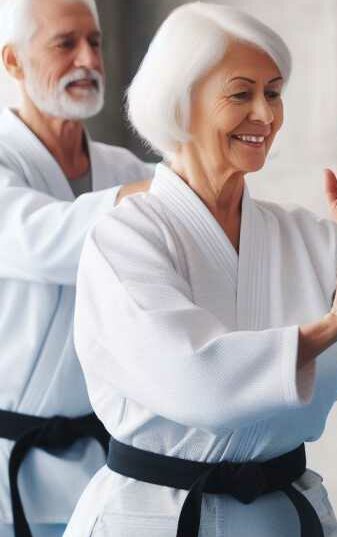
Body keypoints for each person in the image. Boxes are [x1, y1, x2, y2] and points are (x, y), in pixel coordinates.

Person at [65, 3, 337, 537]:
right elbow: (196, 378)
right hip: (157, 518)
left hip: (282, 516)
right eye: (241, 92)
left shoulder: (303, 236)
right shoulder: (124, 239)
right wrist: (330, 326)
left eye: (273, 93)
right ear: (183, 100)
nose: (266, 116)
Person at [0, 1, 151, 536]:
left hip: (100, 468)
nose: (88, 59)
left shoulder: (126, 170)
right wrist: (164, 193)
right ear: (14, 62)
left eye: (96, 42)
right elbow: (41, 240)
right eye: (66, 43)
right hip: (8, 471)